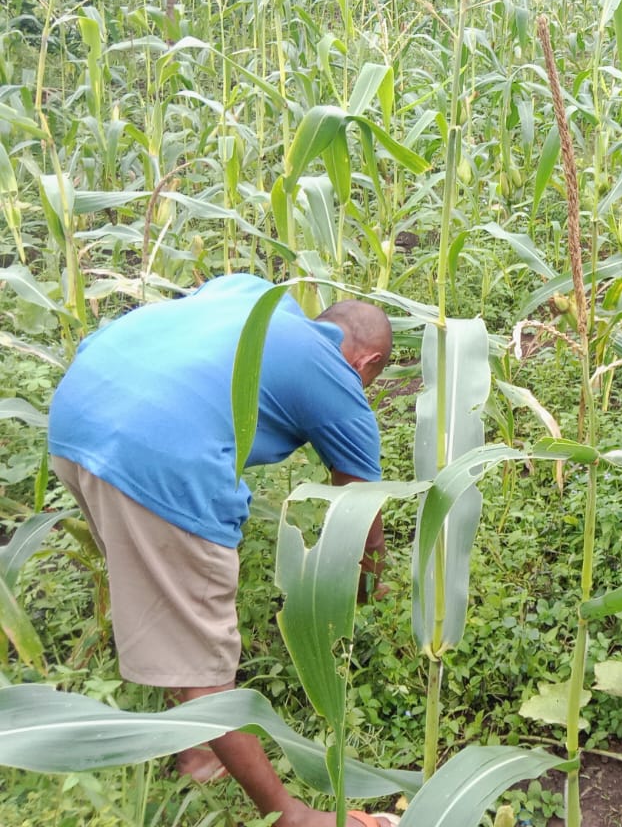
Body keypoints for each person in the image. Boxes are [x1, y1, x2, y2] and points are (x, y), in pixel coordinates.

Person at [47, 274, 399, 827]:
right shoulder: (339, 377)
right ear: (367, 362)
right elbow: (363, 514)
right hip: (159, 454)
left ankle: (196, 751)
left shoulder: (254, 294)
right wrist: (370, 585)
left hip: (77, 414)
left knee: (162, 590)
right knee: (207, 659)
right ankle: (292, 818)